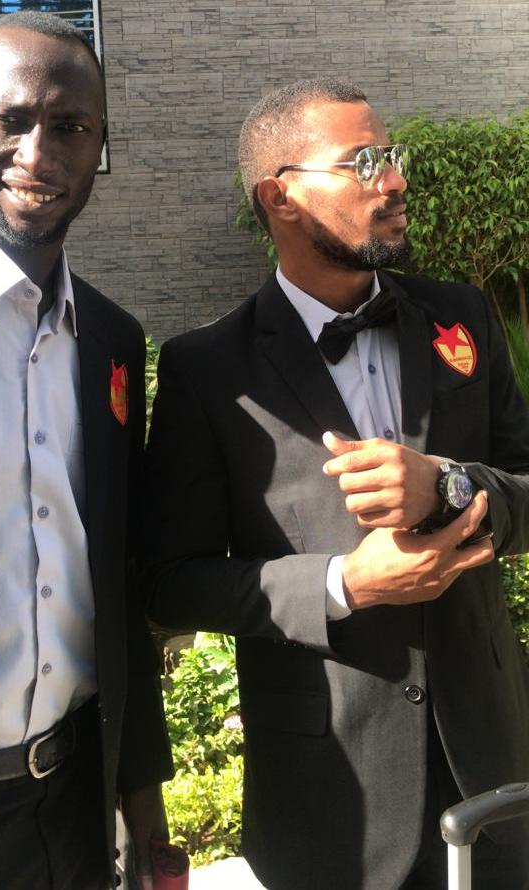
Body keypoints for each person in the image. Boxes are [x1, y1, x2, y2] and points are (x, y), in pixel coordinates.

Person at [142, 78, 529, 889]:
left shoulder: (462, 316)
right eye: (362, 163)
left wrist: (452, 487)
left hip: (494, 774)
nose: (395, 180)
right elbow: (172, 583)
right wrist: (341, 584)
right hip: (329, 800)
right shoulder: (208, 371)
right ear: (280, 197)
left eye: (391, 157)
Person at [0, 12, 172, 890]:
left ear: (100, 144)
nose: (38, 153)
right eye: (12, 120)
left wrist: (143, 804)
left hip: (71, 810)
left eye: (70, 127)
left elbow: (116, 581)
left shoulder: (112, 340)